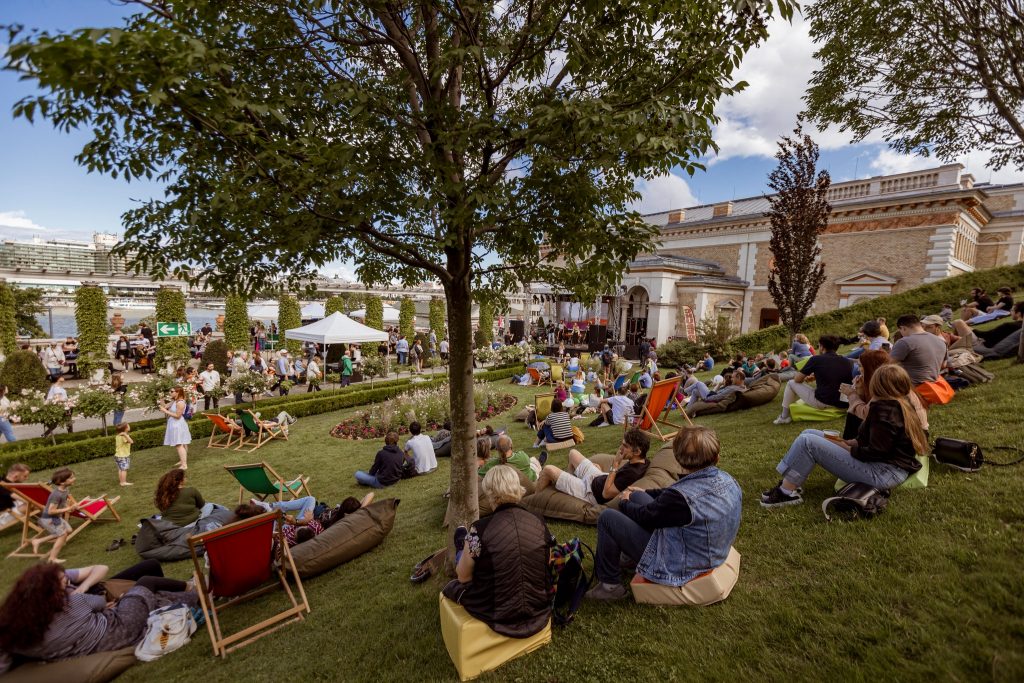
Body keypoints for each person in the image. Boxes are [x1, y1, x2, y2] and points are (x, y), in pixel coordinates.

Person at [586, 425, 741, 601]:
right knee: (638, 495)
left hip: (684, 562)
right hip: (708, 548)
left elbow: (647, 515)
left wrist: (625, 502)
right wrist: (642, 494)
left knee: (607, 518)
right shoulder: (729, 480)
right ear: (717, 457)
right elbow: (673, 494)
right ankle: (630, 558)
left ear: (679, 460)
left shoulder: (679, 500)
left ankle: (609, 586)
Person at [762, 364, 928, 507]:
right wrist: (849, 442)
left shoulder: (885, 409)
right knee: (809, 432)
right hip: (888, 468)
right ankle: (790, 484)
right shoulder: (900, 403)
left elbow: (876, 452)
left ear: (878, 385)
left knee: (808, 441)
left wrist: (845, 447)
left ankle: (786, 492)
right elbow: (877, 442)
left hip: (882, 473)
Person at [0, 561, 197, 670]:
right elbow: (101, 603)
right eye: (62, 581)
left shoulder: (19, 634)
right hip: (120, 628)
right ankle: (194, 588)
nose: (66, 581)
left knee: (141, 592)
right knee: (146, 583)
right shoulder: (73, 603)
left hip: (94, 644)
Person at [442, 466, 552, 638]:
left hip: (497, 614)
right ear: (518, 488)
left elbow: (463, 577)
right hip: (538, 608)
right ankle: (465, 546)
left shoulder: (480, 529)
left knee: (454, 583)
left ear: (489, 492)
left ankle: (462, 547)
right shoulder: (538, 520)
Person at [535, 429, 650, 505]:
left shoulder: (632, 473)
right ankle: (569, 482)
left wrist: (615, 463)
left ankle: (534, 500)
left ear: (637, 451)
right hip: (599, 478)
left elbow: (606, 494)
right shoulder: (643, 462)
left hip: (591, 493)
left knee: (548, 469)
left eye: (625, 446)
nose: (620, 448)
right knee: (573, 453)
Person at [773, 335, 853, 425]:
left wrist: (805, 376)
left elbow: (797, 379)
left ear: (822, 347)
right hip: (844, 403)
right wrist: (816, 375)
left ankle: (784, 417)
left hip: (825, 402)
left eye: (819, 346)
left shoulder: (816, 359)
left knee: (791, 383)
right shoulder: (847, 361)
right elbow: (835, 375)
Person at [31, 468, 79, 563]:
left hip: (56, 517)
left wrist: (70, 507)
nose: (74, 479)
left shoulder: (65, 489)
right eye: (71, 478)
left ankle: (38, 541)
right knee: (62, 535)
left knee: (68, 530)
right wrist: (68, 509)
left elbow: (63, 502)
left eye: (73, 477)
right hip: (48, 519)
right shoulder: (56, 495)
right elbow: (51, 511)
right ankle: (52, 558)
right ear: (62, 483)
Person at [889, 314, 948, 385]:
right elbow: (943, 365)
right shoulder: (941, 341)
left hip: (912, 387)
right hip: (934, 385)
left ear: (903, 328)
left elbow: (888, 366)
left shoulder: (904, 342)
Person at [154, 469, 218, 527]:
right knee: (209, 505)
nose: (186, 478)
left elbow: (162, 510)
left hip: (171, 525)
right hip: (191, 523)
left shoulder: (163, 494)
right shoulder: (191, 491)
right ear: (181, 480)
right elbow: (201, 505)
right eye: (184, 477)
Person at [159, 387, 191, 470]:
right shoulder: (174, 401)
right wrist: (161, 399)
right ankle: (182, 461)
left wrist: (165, 411)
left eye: (172, 391)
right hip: (174, 424)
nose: (170, 393)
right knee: (180, 444)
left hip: (178, 424)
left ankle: (184, 465)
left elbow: (178, 416)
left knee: (179, 444)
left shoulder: (180, 403)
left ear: (178, 392)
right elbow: (165, 406)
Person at [0, 463, 30, 529]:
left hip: (10, 507)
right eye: (25, 476)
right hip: (3, 516)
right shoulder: (3, 486)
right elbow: (26, 499)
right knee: (31, 504)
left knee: (32, 503)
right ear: (15, 476)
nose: (26, 478)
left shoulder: (5, 482)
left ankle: (45, 520)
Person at [113, 423, 133, 487]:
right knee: (124, 469)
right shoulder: (123, 436)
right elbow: (131, 441)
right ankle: (123, 482)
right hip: (123, 456)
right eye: (128, 426)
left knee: (120, 469)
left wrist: (125, 434)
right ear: (125, 429)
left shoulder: (117, 436)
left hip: (118, 455)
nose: (129, 426)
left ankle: (121, 482)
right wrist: (125, 435)